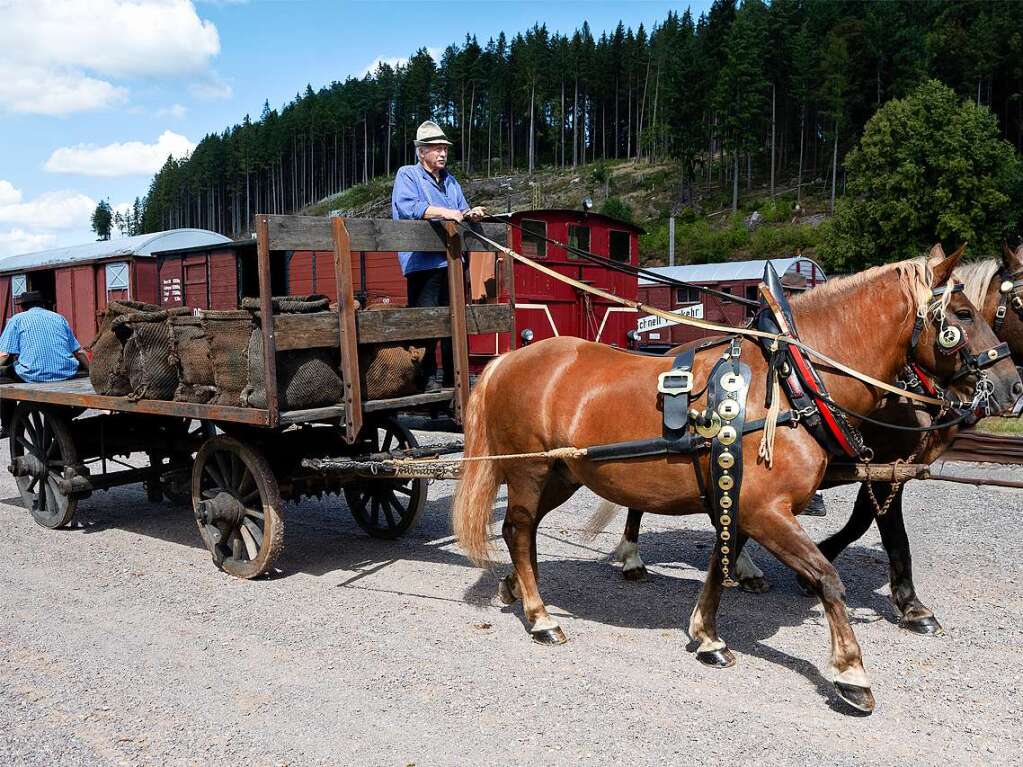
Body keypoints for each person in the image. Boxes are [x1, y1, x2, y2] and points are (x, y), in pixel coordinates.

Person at [392, 120, 485, 392]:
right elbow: (409, 207)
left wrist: (471, 213)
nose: (443, 154)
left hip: (453, 260)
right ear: (422, 152)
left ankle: (454, 374)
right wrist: (446, 212)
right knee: (428, 320)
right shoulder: (408, 175)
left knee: (455, 317)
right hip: (423, 262)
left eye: (444, 148)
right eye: (436, 149)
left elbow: (461, 210)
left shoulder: (451, 181)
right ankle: (427, 376)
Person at [0, 290, 89, 437]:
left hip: (32, 374)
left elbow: (4, 355)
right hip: (66, 373)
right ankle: (65, 416)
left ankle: (7, 426)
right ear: (43, 305)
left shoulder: (17, 319)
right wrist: (91, 372)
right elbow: (79, 352)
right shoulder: (59, 318)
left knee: (2, 381)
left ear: (23, 307)